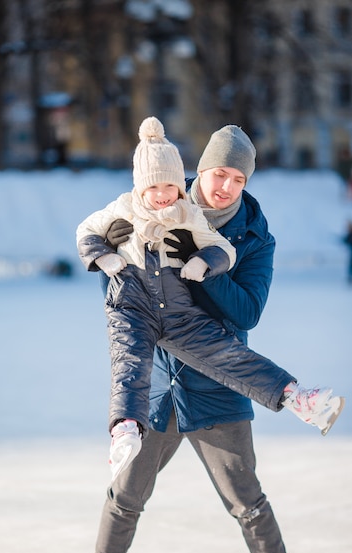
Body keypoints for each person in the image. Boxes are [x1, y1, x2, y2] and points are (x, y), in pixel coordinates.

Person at [76, 117, 343, 482]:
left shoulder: (222, 225)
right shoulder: (130, 207)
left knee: (229, 358)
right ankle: (124, 429)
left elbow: (240, 297)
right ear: (200, 170)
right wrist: (109, 252)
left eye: (239, 179)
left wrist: (201, 263)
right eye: (220, 174)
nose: (227, 187)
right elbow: (90, 239)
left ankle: (298, 397)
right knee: (129, 366)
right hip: (150, 351)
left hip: (198, 354)